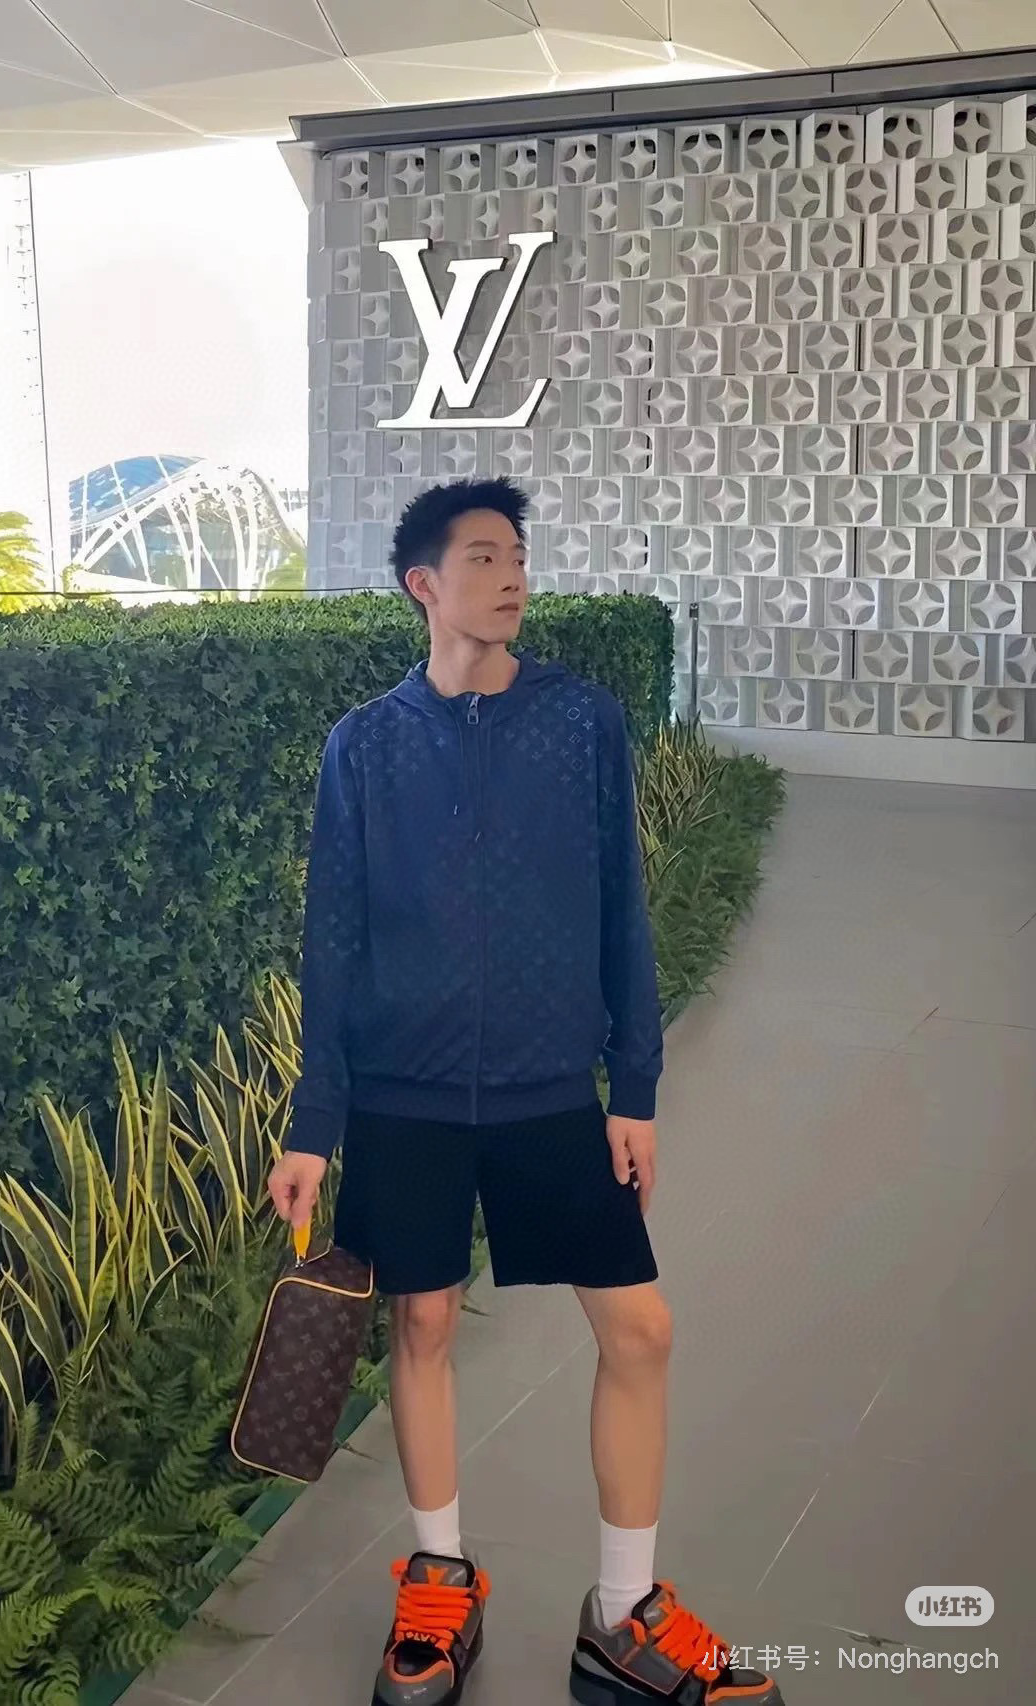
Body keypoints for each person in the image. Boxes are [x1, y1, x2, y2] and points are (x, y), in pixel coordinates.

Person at [268, 477, 782, 1706]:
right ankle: (440, 1578)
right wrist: (313, 1122)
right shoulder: (363, 744)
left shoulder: (578, 720)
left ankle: (622, 1614)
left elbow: (619, 905)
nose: (511, 575)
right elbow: (331, 938)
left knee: (639, 1329)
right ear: (423, 584)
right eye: (483, 557)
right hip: (402, 1096)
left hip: (549, 1090)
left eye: (517, 555)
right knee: (422, 1324)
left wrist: (632, 1084)